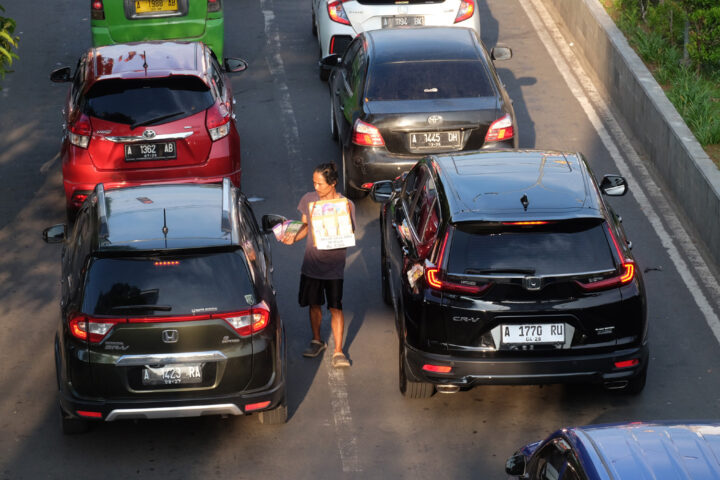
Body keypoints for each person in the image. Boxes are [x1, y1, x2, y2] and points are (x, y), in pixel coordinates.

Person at [283, 163, 356, 368]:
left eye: (320, 184)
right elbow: (305, 225)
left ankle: (339, 351)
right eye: (314, 183)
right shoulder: (308, 200)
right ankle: (317, 341)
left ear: (333, 183)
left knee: (335, 307)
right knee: (314, 304)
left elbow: (348, 232)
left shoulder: (346, 205)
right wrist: (293, 237)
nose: (316, 187)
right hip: (312, 264)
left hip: (334, 267)